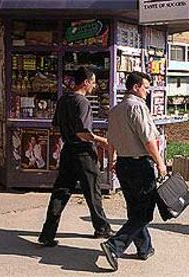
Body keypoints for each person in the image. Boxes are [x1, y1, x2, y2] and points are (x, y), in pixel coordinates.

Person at [38, 67, 114, 247]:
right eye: (93, 82)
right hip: (83, 153)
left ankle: (47, 233)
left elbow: (55, 125)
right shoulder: (83, 103)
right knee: (92, 191)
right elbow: (83, 132)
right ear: (86, 82)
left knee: (60, 192)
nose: (94, 86)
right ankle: (101, 227)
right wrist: (101, 140)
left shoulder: (63, 99)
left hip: (68, 151)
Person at [100, 71, 167, 271]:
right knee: (145, 213)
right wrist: (160, 162)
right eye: (146, 87)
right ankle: (114, 245)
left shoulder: (116, 109)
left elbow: (110, 139)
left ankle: (144, 248)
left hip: (123, 163)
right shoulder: (137, 107)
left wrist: (112, 160)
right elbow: (148, 140)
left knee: (135, 208)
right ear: (136, 87)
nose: (147, 92)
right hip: (140, 165)